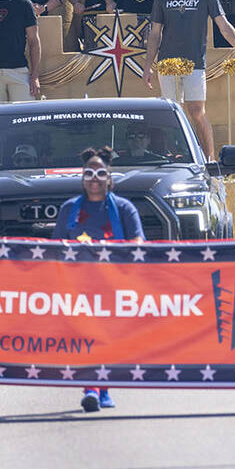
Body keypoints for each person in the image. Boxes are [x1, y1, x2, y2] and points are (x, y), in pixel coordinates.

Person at [53, 146, 144, 412]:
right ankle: (92, 388)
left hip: (114, 286)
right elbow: (56, 246)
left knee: (108, 338)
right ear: (82, 177)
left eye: (100, 173)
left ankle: (102, 388)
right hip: (79, 286)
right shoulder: (69, 209)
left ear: (109, 177)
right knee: (87, 337)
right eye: (89, 173)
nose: (94, 178)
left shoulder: (125, 209)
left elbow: (138, 240)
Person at [143, 0, 235, 158]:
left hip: (195, 63)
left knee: (196, 111)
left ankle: (209, 159)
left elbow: (224, 26)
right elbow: (155, 33)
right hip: (167, 62)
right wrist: (148, 65)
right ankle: (178, 158)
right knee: (172, 114)